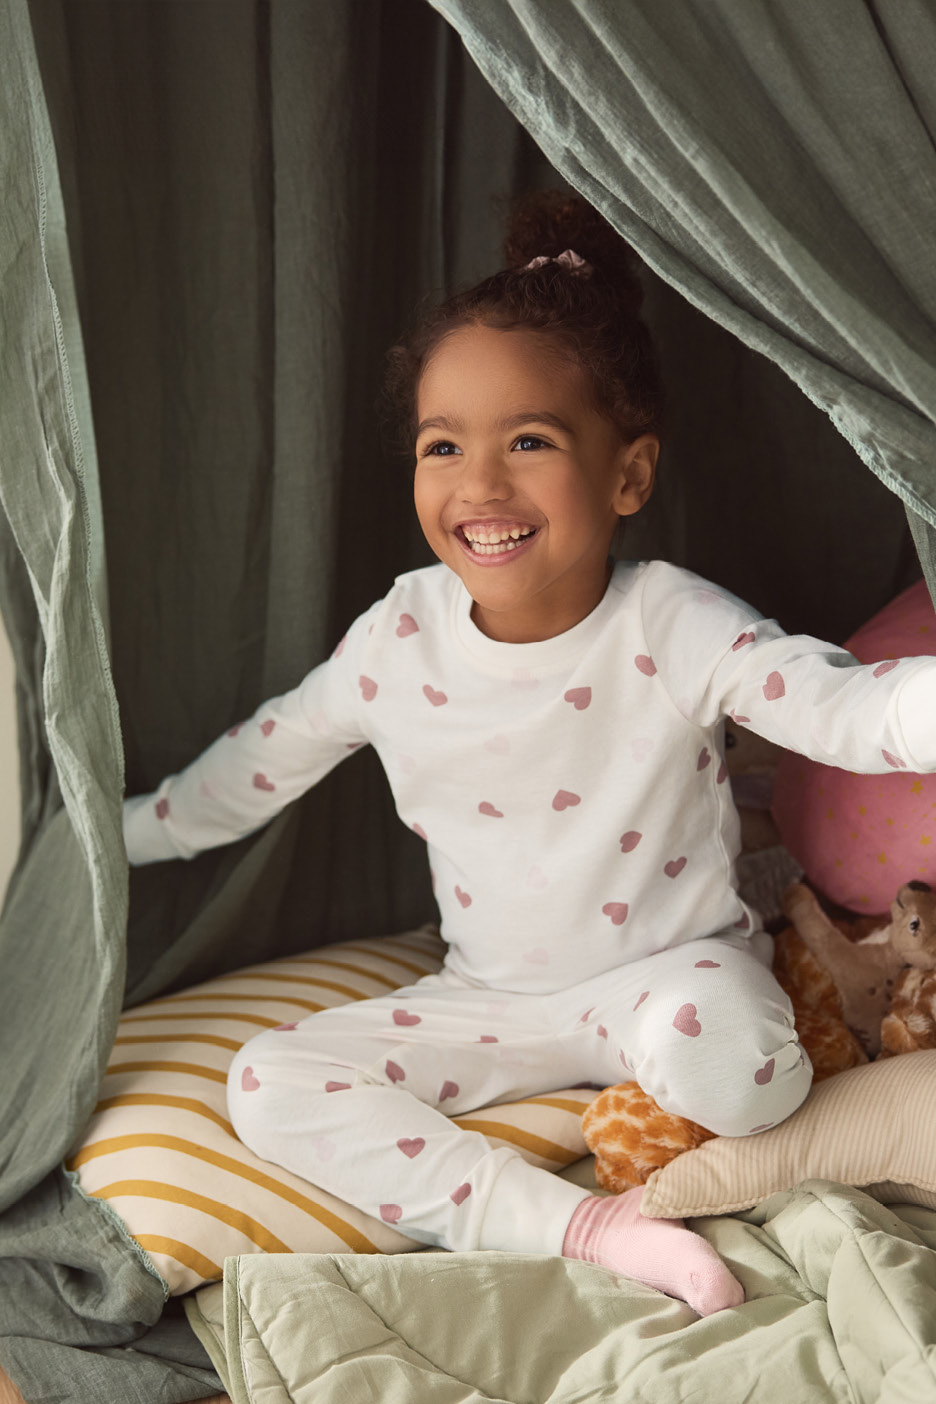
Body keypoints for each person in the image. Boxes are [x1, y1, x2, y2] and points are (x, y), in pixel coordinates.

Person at [123, 191, 936, 1317]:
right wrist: (120, 837)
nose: (480, 485)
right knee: (268, 1083)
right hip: (490, 1002)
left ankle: (695, 1096)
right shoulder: (398, 638)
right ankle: (586, 1228)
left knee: (734, 1066)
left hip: (669, 975)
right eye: (442, 445)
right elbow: (266, 756)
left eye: (530, 442)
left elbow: (840, 707)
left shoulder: (668, 619)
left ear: (628, 476)